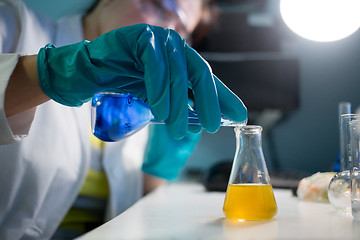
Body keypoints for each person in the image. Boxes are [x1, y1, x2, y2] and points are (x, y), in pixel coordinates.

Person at [0, 0, 247, 239]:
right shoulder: (13, 24)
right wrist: (52, 73)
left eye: (182, 29)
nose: (166, 31)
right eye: (160, 5)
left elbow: (130, 212)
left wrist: (158, 171)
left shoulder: (143, 98)